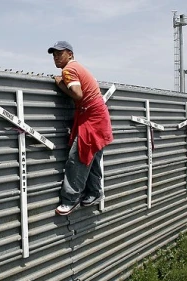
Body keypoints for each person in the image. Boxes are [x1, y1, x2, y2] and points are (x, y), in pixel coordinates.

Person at [47, 41, 113, 215]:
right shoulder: (78, 67)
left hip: (92, 118)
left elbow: (77, 94)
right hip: (96, 116)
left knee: (78, 157)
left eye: (59, 54)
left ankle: (70, 199)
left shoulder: (68, 70)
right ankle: (94, 192)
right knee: (92, 157)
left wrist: (60, 84)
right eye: (53, 55)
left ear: (70, 54)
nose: (55, 57)